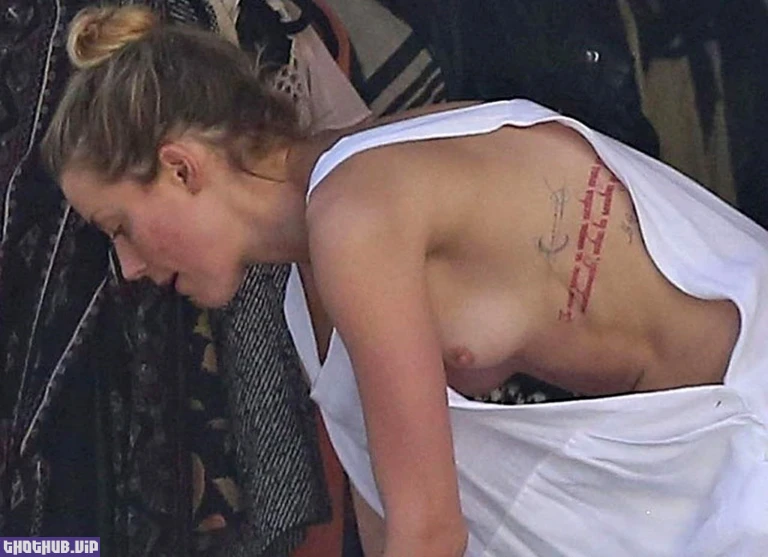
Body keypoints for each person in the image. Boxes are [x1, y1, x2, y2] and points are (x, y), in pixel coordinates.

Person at [42, 5, 768, 557]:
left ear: (180, 168)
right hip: (693, 495)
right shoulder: (307, 293)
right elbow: (390, 518)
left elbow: (430, 532)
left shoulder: (357, 210)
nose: (128, 268)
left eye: (119, 227)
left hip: (745, 451)